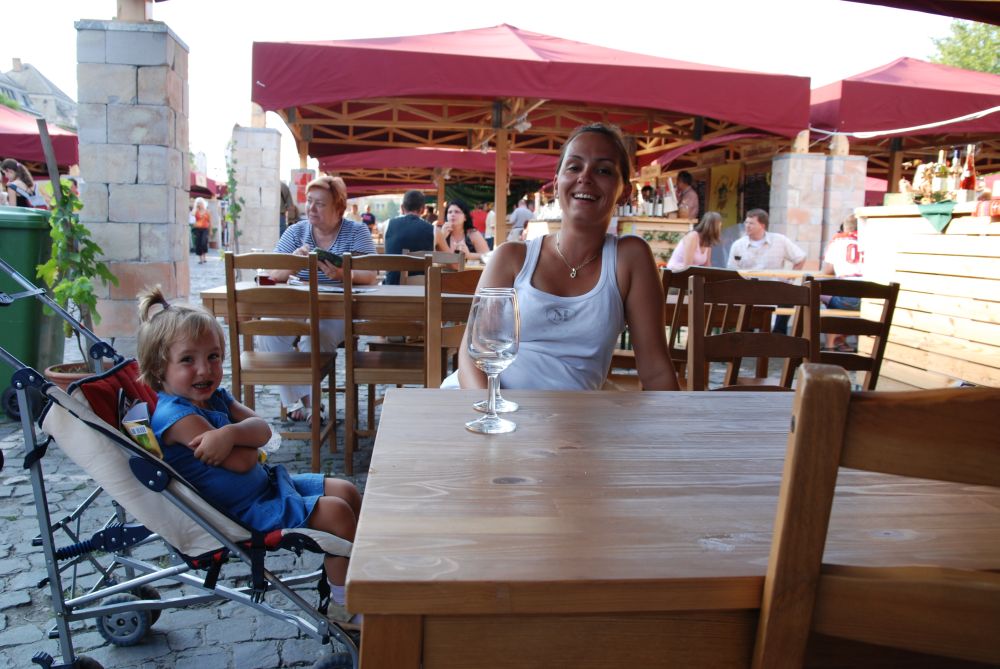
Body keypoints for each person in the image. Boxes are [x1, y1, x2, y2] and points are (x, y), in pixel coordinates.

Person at [136, 287, 362, 627]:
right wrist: (243, 436)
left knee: (347, 491)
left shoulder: (214, 398)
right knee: (337, 513)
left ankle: (360, 573)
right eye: (188, 360)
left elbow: (264, 430)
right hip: (242, 511)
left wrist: (228, 434)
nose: (204, 370)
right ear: (158, 368)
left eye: (213, 356)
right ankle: (345, 608)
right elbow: (243, 462)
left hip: (266, 487)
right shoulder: (177, 418)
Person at [454, 123, 679, 391]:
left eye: (603, 170)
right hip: (483, 404)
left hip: (573, 416)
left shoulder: (629, 258)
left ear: (625, 192)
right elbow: (472, 354)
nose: (585, 176)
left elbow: (656, 370)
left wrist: (674, 418)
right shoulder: (511, 257)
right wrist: (492, 410)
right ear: (556, 184)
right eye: (574, 167)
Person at [257, 175, 377, 422]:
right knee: (268, 332)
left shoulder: (356, 231)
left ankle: (307, 404)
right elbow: (273, 274)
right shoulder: (296, 231)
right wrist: (294, 262)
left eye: (320, 204)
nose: (311, 208)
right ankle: (305, 401)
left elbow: (370, 275)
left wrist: (343, 274)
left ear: (339, 209)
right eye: (309, 201)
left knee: (314, 336)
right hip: (297, 306)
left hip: (337, 311)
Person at [726, 208, 806, 334]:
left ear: (762, 225)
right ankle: (746, 335)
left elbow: (800, 258)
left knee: (790, 294)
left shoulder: (780, 240)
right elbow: (731, 270)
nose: (747, 226)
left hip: (774, 288)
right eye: (746, 222)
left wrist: (789, 278)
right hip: (748, 291)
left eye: (751, 223)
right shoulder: (738, 244)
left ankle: (778, 335)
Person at [820, 215, 864, 351]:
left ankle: (830, 345)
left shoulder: (838, 242)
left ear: (845, 228)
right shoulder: (872, 241)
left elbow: (828, 271)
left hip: (846, 299)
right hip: (870, 300)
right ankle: (856, 345)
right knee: (856, 308)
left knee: (817, 292)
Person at [383, 190, 435, 285]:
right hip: (422, 289)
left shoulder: (387, 225)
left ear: (402, 207)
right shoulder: (433, 230)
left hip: (392, 286)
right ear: (423, 209)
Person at [191, 197, 212, 264]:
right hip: (197, 229)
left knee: (203, 242)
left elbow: (210, 222)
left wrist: (210, 230)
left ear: (203, 203)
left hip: (205, 229)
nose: (199, 204)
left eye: (200, 203)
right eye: (198, 203)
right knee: (198, 243)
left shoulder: (207, 212)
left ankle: (204, 257)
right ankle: (201, 259)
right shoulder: (196, 211)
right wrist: (195, 207)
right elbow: (192, 214)